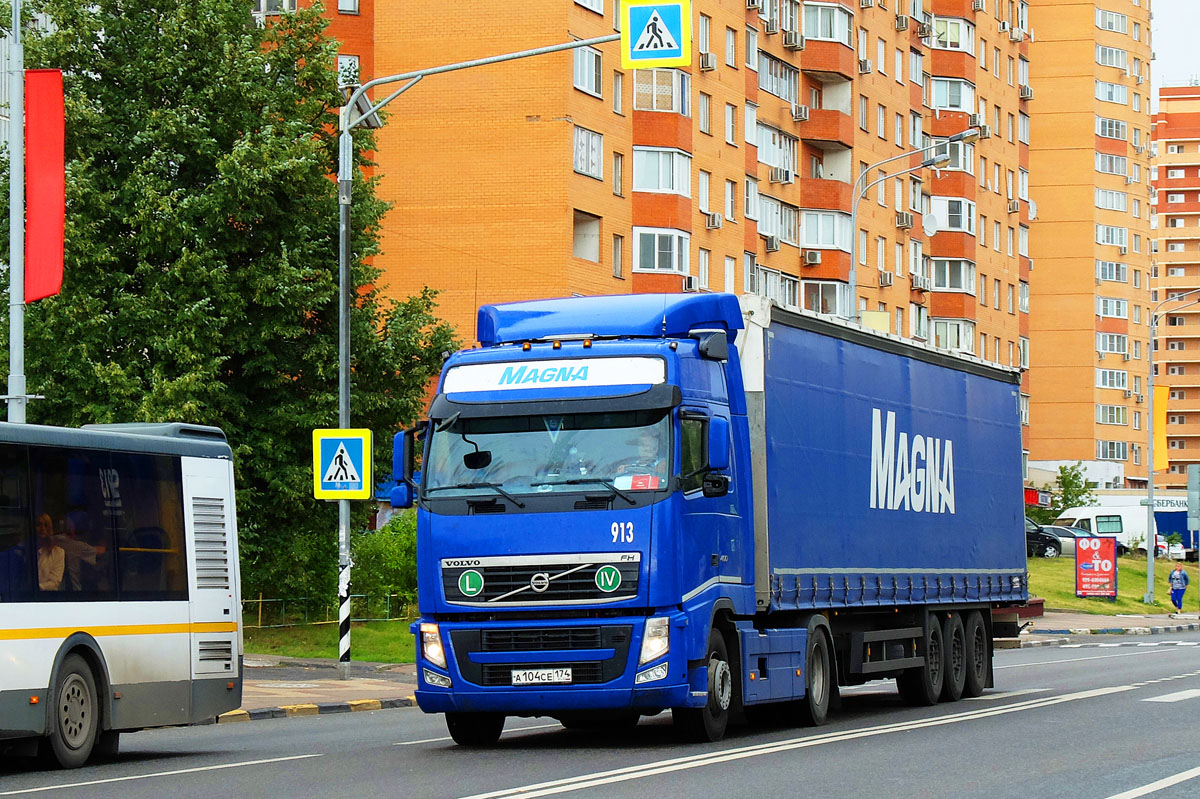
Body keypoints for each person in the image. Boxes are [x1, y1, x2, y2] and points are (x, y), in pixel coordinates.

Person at [35, 513, 65, 592]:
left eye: (46, 525)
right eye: (39, 525)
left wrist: (36, 588)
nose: (43, 528)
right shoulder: (22, 551)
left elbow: (55, 583)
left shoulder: (58, 553)